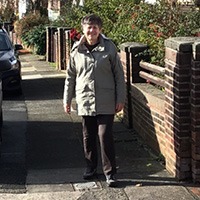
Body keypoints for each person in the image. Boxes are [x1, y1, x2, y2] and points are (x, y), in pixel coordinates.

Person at [63, 14, 125, 187]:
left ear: (100, 30)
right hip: (85, 100)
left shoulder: (110, 48)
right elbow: (70, 77)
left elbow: (119, 76)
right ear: (83, 29)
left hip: (106, 100)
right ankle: (91, 168)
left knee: (104, 135)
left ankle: (110, 173)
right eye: (89, 27)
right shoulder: (76, 50)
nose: (92, 30)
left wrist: (120, 98)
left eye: (95, 27)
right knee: (88, 136)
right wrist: (67, 100)